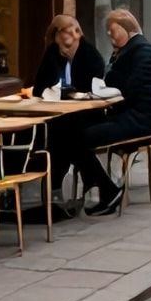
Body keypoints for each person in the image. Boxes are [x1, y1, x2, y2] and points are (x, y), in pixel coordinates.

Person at [71, 10, 151, 216]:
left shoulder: (142, 52)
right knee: (74, 130)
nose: (111, 37)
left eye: (113, 32)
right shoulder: (135, 50)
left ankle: (107, 190)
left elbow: (127, 87)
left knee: (79, 138)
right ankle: (101, 187)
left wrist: (113, 69)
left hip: (139, 120)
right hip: (133, 116)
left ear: (126, 29)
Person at [30, 15, 108, 197]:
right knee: (58, 133)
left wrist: (65, 92)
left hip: (87, 116)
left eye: (73, 33)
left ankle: (56, 186)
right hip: (58, 114)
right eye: (63, 35)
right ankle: (91, 184)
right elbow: (38, 88)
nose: (68, 41)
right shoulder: (52, 54)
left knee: (64, 137)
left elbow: (91, 89)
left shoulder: (90, 55)